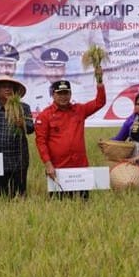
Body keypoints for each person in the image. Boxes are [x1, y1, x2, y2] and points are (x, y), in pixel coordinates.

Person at [35, 67, 106, 199]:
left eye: (66, 93)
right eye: (60, 93)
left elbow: (99, 102)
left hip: (80, 168)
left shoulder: (79, 110)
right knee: (60, 209)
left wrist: (99, 81)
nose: (63, 96)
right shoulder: (45, 115)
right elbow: (41, 142)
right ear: (53, 95)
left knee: (83, 207)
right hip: (58, 170)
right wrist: (48, 164)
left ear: (71, 94)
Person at [0, 76, 35, 197]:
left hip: (18, 158)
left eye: (10, 87)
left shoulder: (23, 108)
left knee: (19, 195)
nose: (8, 89)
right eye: (4, 87)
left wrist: (22, 124)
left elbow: (31, 129)